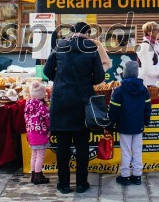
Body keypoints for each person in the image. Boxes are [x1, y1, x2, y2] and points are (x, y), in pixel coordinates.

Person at [43, 22, 105, 194]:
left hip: (61, 100)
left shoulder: (60, 45)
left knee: (62, 144)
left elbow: (47, 71)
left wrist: (62, 80)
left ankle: (63, 184)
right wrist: (86, 82)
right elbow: (100, 76)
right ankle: (81, 183)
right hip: (82, 101)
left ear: (71, 32)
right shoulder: (91, 47)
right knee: (82, 144)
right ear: (87, 34)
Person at [108, 61, 151, 186]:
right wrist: (146, 121)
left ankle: (125, 176)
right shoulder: (144, 89)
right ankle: (137, 176)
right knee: (137, 150)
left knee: (126, 151)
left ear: (125, 73)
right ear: (137, 73)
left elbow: (113, 110)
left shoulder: (119, 90)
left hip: (124, 126)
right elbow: (148, 107)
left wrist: (110, 125)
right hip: (138, 126)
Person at [24, 81, 50, 185]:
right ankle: (38, 176)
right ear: (42, 95)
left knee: (34, 155)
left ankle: (33, 175)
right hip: (40, 133)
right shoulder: (42, 107)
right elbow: (47, 119)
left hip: (31, 133)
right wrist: (50, 128)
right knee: (40, 156)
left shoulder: (28, 105)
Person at [136, 22, 159, 86]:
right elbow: (149, 70)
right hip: (148, 84)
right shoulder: (145, 46)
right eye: (157, 30)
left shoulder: (155, 46)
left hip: (155, 83)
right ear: (149, 33)